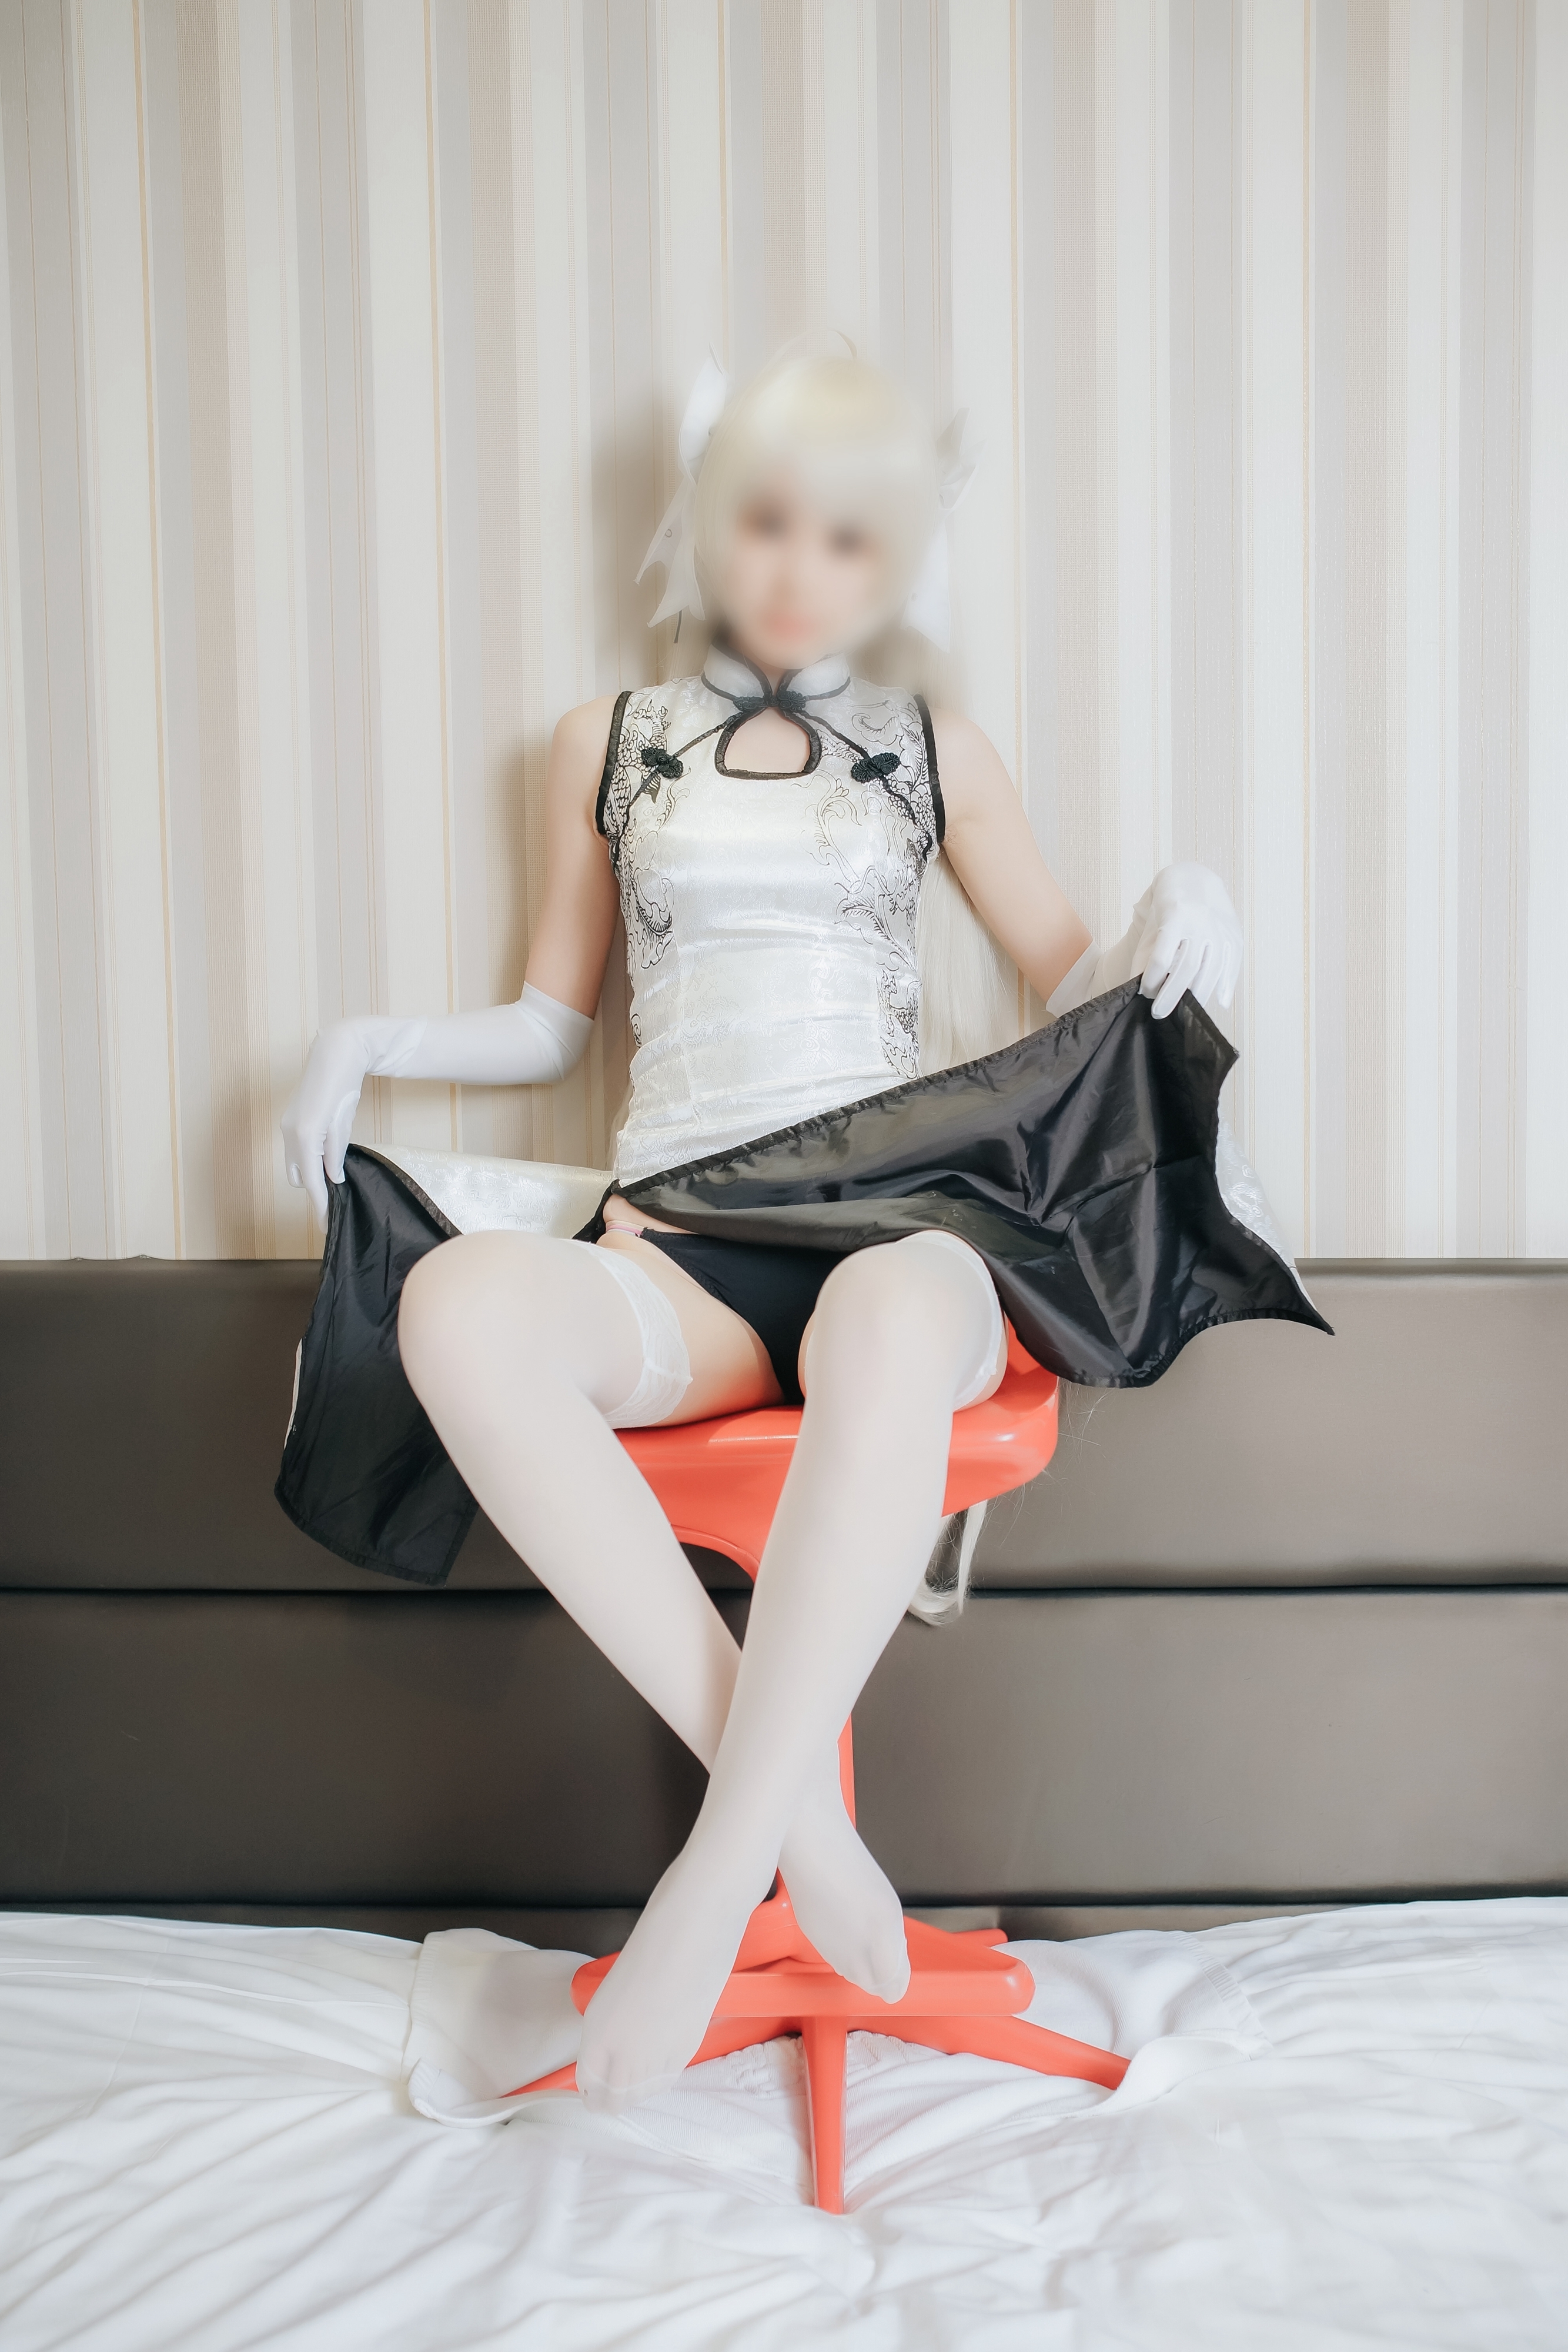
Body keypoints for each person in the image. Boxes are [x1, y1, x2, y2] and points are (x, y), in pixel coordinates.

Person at [280, 353, 1266, 2114]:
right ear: (705, 520)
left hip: (904, 1213)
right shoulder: (604, 740)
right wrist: (365, 1043)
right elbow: (550, 1026)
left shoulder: (933, 746)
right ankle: (799, 1823)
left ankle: (713, 1874)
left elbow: (1071, 979)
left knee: (888, 1319)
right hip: (687, 1232)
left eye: (848, 537)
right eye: (767, 521)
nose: (802, 569)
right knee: (457, 1307)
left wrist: (1182, 904)